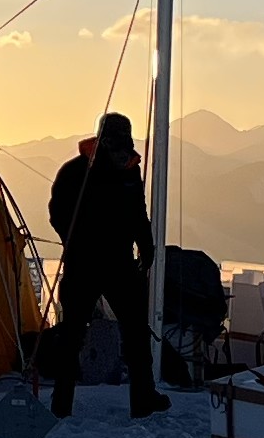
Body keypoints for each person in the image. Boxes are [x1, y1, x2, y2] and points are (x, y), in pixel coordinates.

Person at [41, 110, 168, 419]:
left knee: (135, 332)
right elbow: (57, 212)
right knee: (74, 334)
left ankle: (142, 399)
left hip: (117, 262)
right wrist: (74, 240)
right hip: (86, 262)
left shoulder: (127, 170)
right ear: (103, 139)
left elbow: (138, 212)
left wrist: (147, 246)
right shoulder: (76, 172)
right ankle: (62, 402)